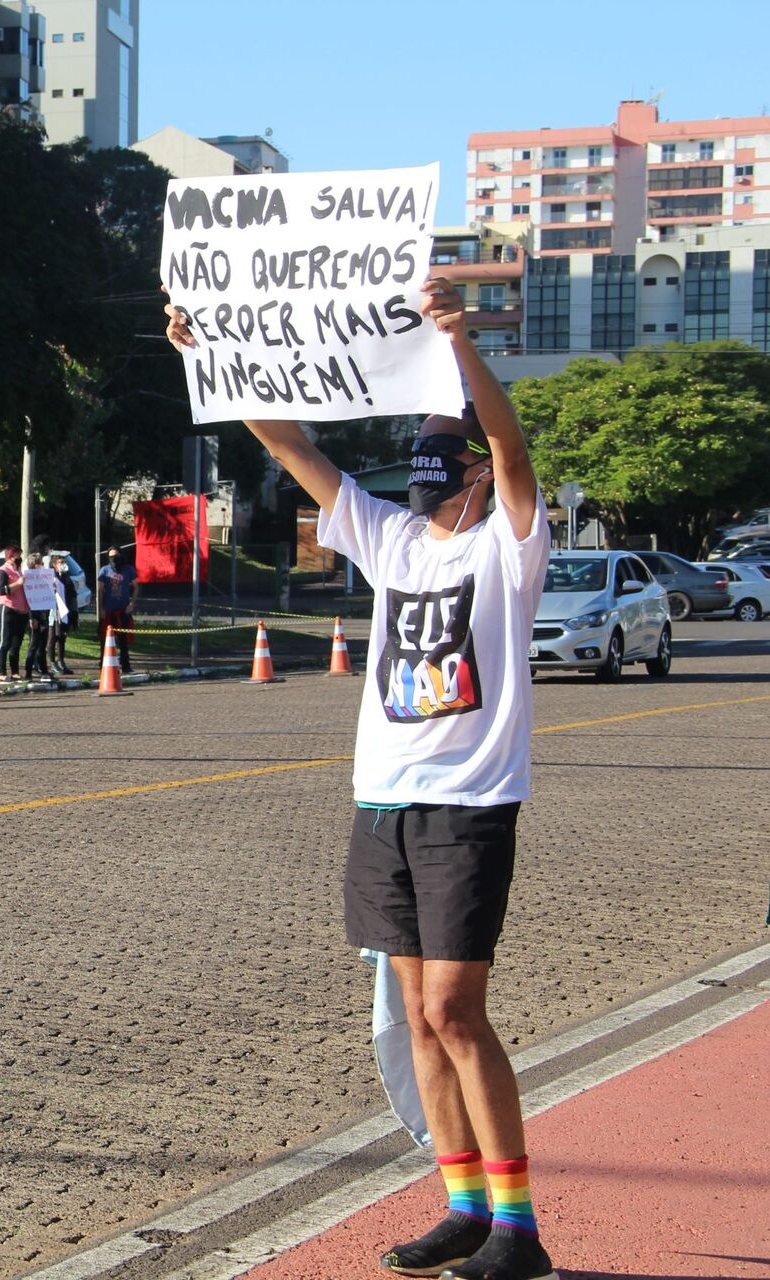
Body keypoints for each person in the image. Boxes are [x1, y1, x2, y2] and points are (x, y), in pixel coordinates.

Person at [168, 280, 557, 1280]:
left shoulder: (507, 543)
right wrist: (205, 354)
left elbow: (514, 452)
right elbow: (294, 447)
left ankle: (519, 1225)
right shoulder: (387, 537)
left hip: (468, 806)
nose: (430, 477)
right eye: (421, 461)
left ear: (472, 470)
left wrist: (459, 345)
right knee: (414, 1013)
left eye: (447, 459)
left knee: (459, 1010)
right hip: (382, 802)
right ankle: (463, 1204)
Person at [0, 545, 28, 683]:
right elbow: (1, 590)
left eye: (19, 554)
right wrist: (18, 584)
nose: (19, 557)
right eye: (16, 554)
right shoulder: (2, 571)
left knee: (16, 643)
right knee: (5, 641)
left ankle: (15, 672)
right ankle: (1, 672)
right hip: (8, 609)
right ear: (10, 556)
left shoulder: (19, 571)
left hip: (21, 611)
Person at [95, 545, 138, 662]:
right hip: (108, 610)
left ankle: (125, 664)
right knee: (104, 639)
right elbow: (99, 591)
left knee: (124, 639)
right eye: (111, 557)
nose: (113, 559)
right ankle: (103, 664)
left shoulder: (129, 569)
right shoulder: (104, 570)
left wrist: (131, 604)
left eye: (115, 556)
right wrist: (100, 610)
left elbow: (136, 587)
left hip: (123, 610)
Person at [22, 550, 52, 681]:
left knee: (42, 645)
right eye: (40, 564)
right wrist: (31, 618)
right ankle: (28, 672)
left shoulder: (44, 579)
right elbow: (29, 600)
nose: (42, 566)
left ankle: (44, 670)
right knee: (34, 644)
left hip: (43, 615)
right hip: (34, 616)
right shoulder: (29, 580)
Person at [49, 552, 78, 676]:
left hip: (65, 611)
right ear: (54, 565)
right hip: (53, 611)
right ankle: (52, 663)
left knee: (62, 637)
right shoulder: (51, 577)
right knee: (52, 637)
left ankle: (61, 661)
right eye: (61, 563)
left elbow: (72, 593)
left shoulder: (66, 577)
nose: (64, 565)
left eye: (64, 562)